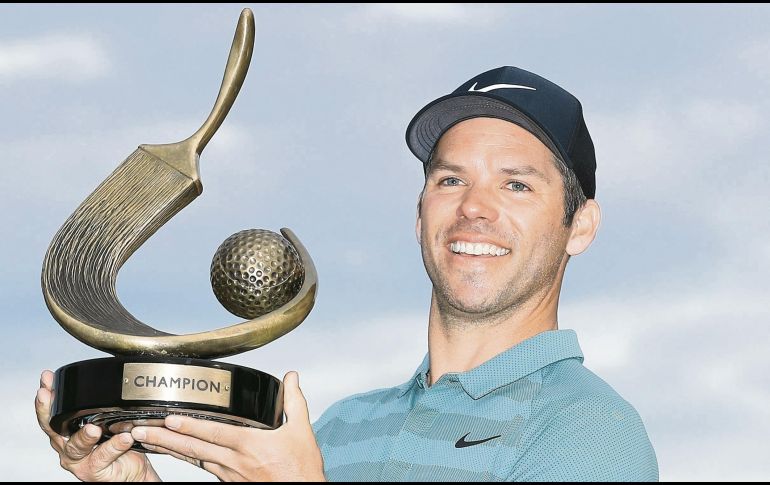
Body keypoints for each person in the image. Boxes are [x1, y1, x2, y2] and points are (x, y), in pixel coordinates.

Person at [35, 66, 659, 481]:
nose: (474, 207)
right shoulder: (343, 426)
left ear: (581, 225)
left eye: (516, 184)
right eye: (450, 179)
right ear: (420, 215)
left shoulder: (591, 433)